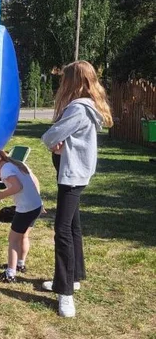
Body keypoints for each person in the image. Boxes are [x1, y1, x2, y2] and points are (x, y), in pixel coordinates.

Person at [41, 60, 113, 318]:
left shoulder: (78, 109)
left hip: (72, 175)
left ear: (73, 82)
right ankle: (74, 277)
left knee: (62, 231)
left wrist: (55, 142)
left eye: (64, 79)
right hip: (77, 173)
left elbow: (49, 137)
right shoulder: (89, 106)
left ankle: (65, 293)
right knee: (73, 226)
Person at [0, 149, 42, 282]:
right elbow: (33, 179)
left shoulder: (5, 170)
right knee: (23, 236)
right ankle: (20, 264)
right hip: (35, 205)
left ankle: (10, 274)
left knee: (13, 240)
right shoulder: (17, 164)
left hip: (25, 209)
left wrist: (0, 195)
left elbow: (17, 187)